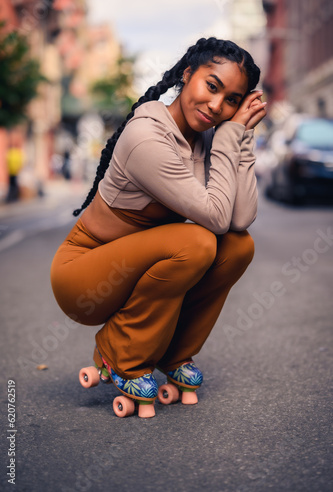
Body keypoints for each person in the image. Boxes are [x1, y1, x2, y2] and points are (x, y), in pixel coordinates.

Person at [50, 37, 267, 417]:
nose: (217, 106)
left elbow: (238, 219)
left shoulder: (206, 140)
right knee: (198, 242)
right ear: (187, 75)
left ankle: (174, 352)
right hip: (83, 277)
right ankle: (121, 354)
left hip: (132, 272)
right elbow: (214, 217)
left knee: (238, 246)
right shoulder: (146, 136)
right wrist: (229, 137)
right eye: (211, 86)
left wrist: (241, 139)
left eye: (232, 100)